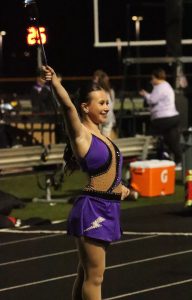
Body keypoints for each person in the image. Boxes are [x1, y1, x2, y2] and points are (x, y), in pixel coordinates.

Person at [43, 65, 130, 300]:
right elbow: (67, 106)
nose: (106, 107)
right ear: (85, 107)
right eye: (100, 103)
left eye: (106, 102)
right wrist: (56, 83)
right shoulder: (81, 134)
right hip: (93, 209)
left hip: (107, 205)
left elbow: (108, 172)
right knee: (95, 278)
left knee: (85, 274)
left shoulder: (103, 136)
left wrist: (119, 188)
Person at [139, 68, 182, 165]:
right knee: (171, 138)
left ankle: (153, 158)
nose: (151, 81)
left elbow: (152, 100)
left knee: (151, 136)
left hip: (163, 118)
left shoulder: (160, 87)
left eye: (152, 79)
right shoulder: (167, 85)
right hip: (173, 117)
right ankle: (178, 159)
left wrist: (145, 94)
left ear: (156, 78)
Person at [93, 69, 116, 139]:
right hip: (106, 118)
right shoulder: (110, 92)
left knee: (104, 140)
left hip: (104, 118)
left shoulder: (102, 92)